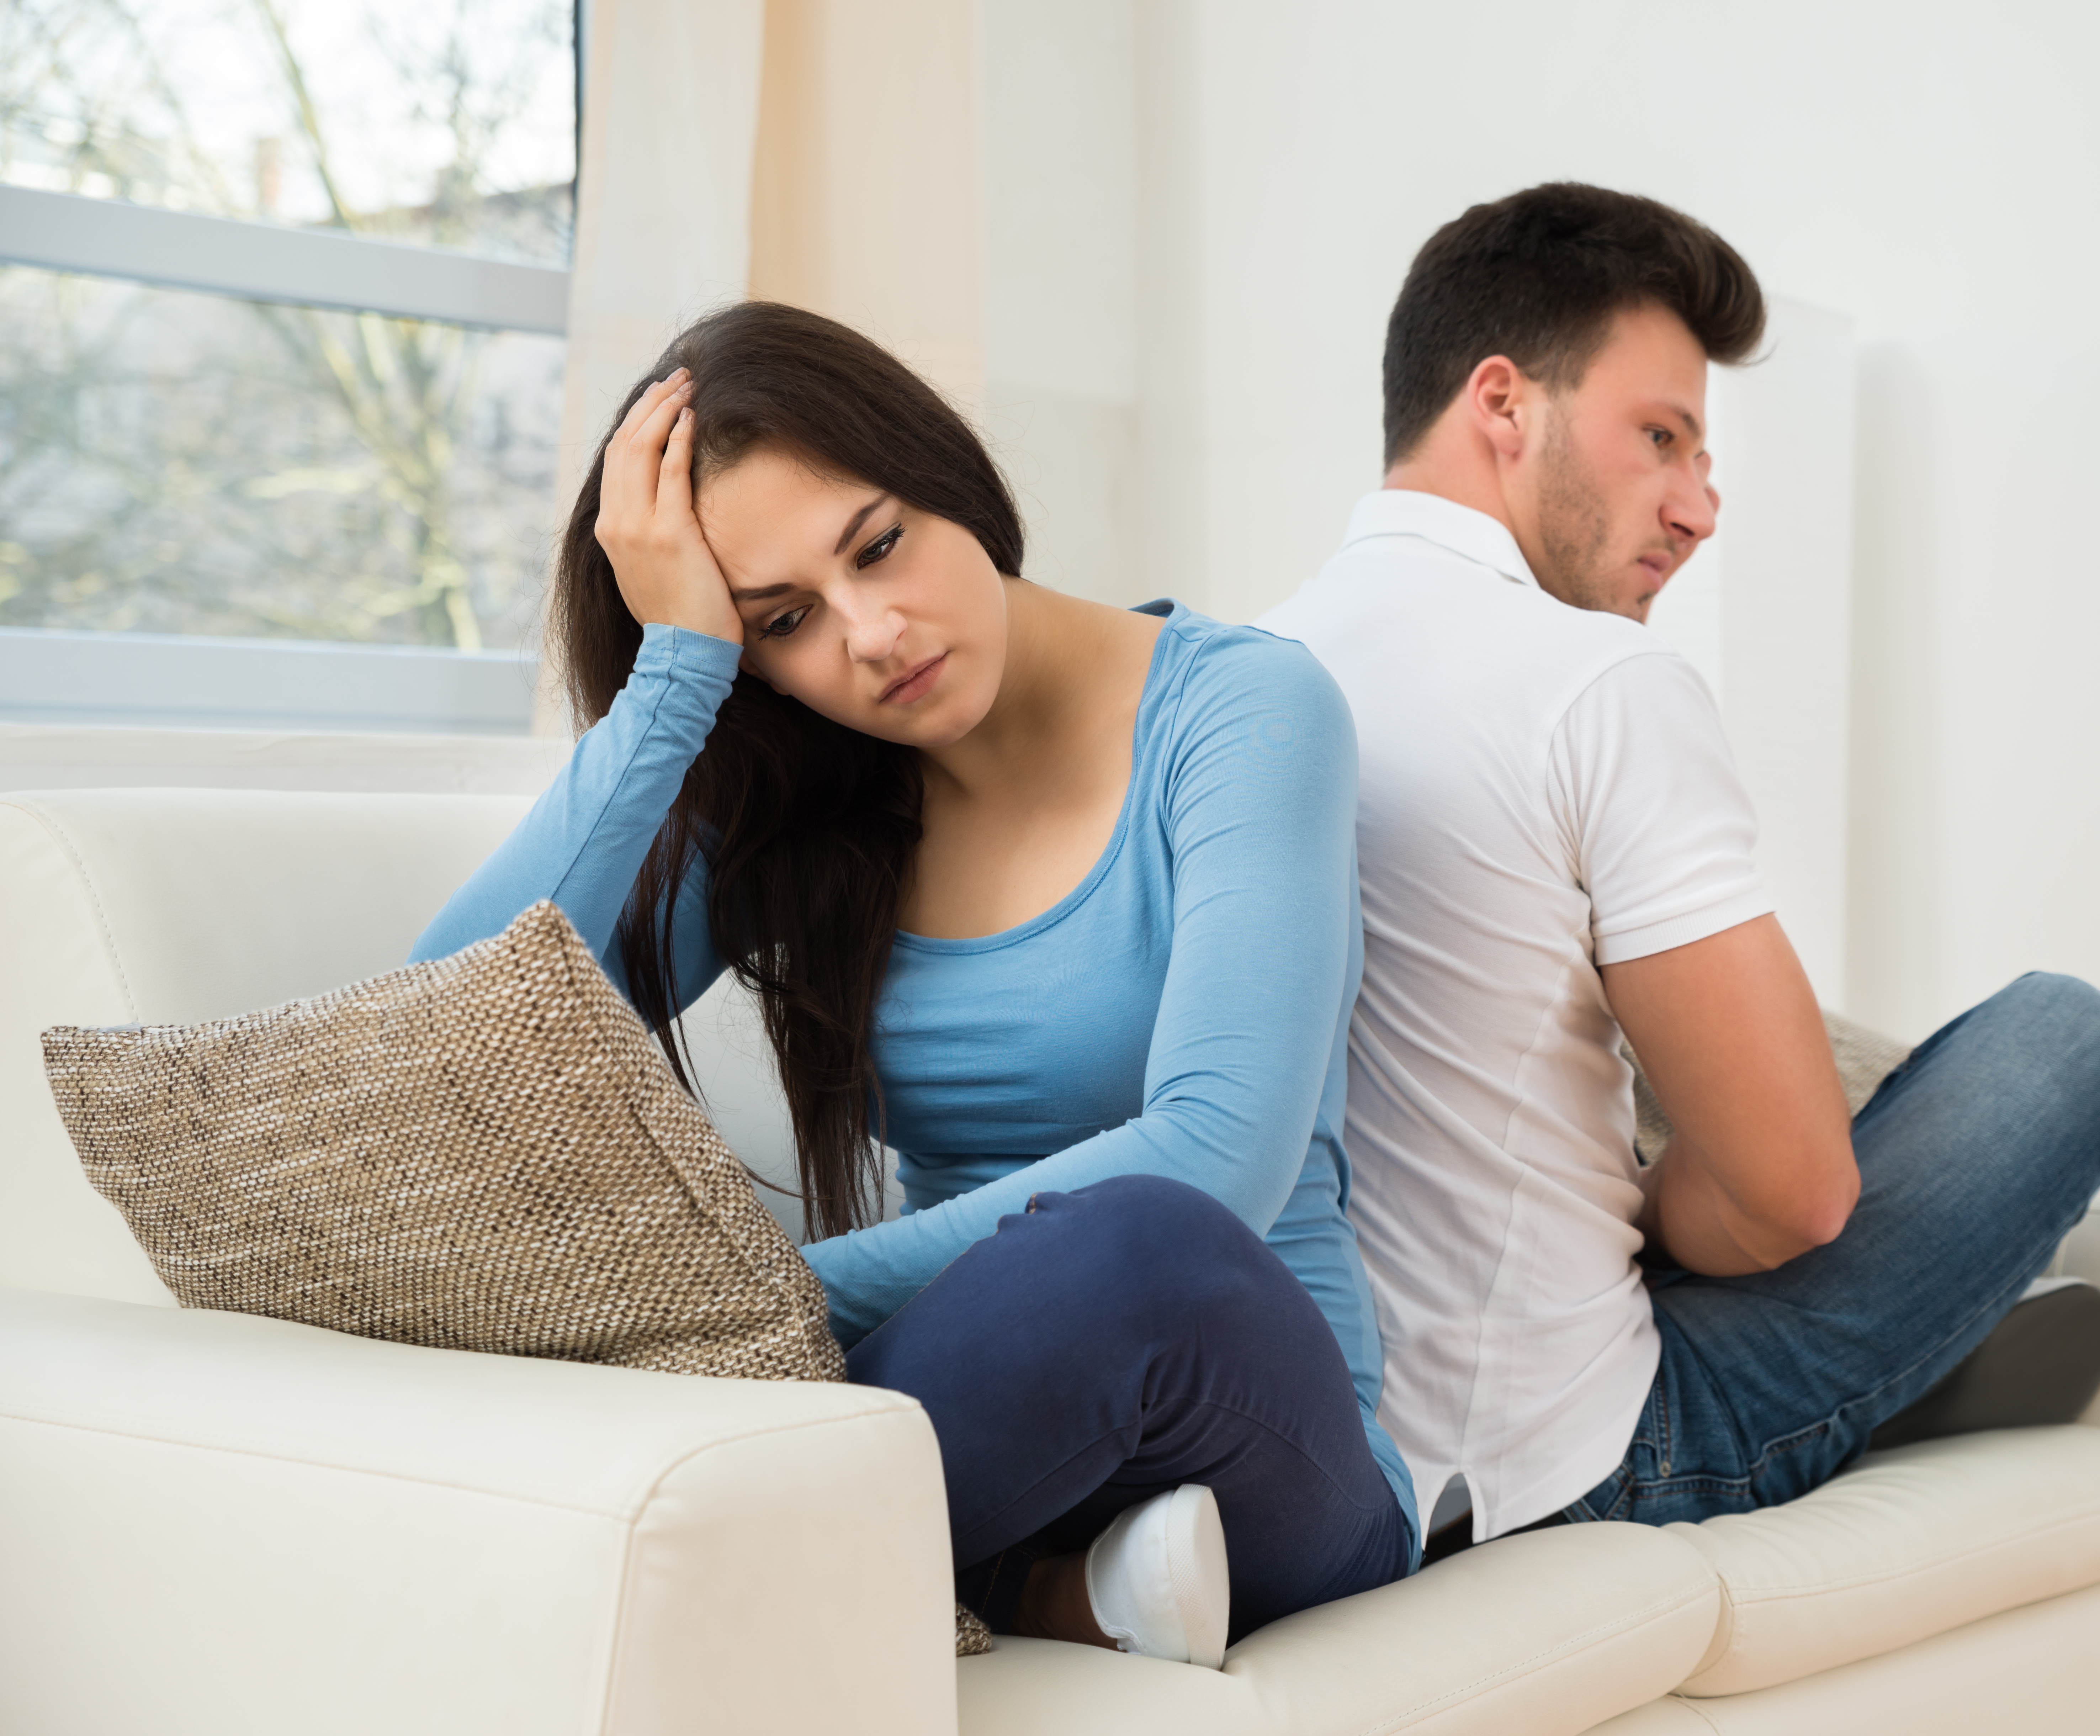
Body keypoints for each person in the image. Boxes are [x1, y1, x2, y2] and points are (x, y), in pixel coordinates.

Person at [414, 302, 1417, 1661]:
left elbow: (1218, 1160)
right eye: (786, 620)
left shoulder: (1244, 711)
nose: (874, 634)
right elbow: (441, 1049)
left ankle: (964, 1577)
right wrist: (674, 683)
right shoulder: (799, 802)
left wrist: (742, 1302)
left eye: (878, 544)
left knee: (1136, 1237)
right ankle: (1037, 1590)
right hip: (954, 1412)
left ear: (946, 475)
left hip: (1251, 1428)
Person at [1257, 184, 2100, 1552]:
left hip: (1349, 1442)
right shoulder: (1597, 681)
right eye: (1661, 438)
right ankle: (1902, 1380)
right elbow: (1798, 1193)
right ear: (1502, 402)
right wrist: (1672, 1209)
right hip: (1573, 1458)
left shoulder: (1252, 665)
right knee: (2073, 1040)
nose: (1700, 509)